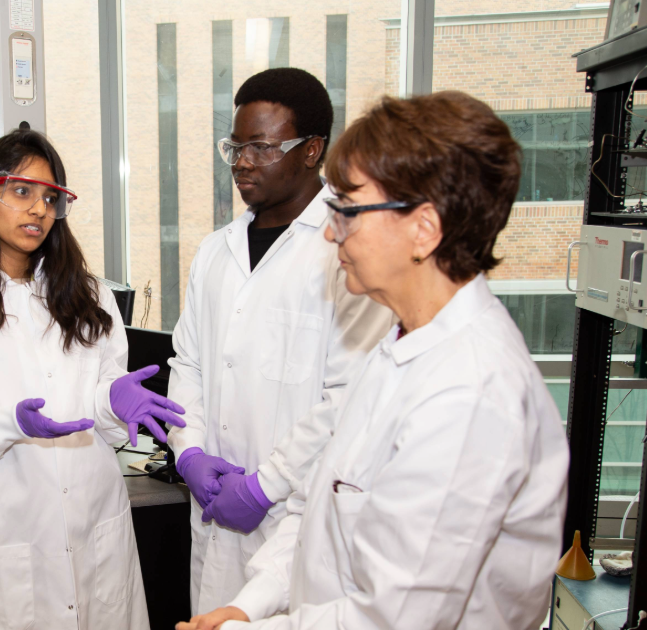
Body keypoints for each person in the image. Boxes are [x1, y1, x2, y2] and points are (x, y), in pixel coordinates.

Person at [179, 91, 570, 630]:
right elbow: (323, 502)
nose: (332, 230)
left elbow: (398, 616)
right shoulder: (399, 350)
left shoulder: (471, 393)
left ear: (424, 229)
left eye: (350, 210)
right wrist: (251, 601)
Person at [0, 128, 185, 630]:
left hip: (95, 536)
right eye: (22, 191)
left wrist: (111, 404)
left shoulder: (89, 295)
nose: (38, 209)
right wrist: (8, 424)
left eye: (50, 197)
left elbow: (109, 430)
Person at [166, 67, 393, 614]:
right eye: (236, 147)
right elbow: (188, 363)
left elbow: (349, 397)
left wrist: (266, 485)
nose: (243, 162)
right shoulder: (213, 253)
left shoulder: (346, 253)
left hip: (298, 515)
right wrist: (189, 451)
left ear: (312, 149)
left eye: (262, 148)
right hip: (214, 510)